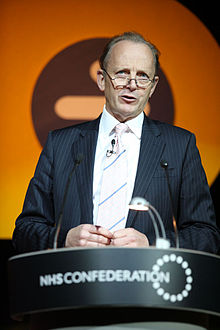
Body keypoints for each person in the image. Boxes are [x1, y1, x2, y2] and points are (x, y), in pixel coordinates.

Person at [12, 32, 220, 254]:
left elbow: (205, 234)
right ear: (102, 80)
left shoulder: (180, 145)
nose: (132, 85)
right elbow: (24, 232)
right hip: (75, 281)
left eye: (142, 76)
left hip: (147, 283)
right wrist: (64, 239)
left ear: (153, 86)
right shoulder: (60, 145)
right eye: (122, 73)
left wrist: (152, 244)